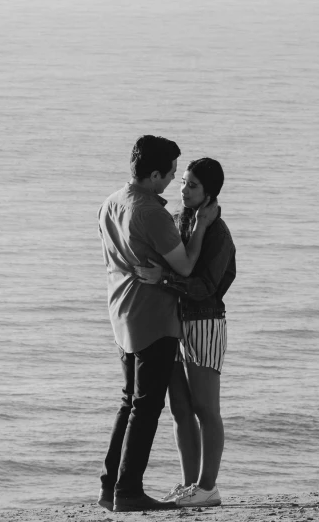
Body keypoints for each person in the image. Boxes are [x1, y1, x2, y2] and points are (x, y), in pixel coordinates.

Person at [96, 136, 218, 512]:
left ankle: (110, 487)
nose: (172, 183)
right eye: (169, 176)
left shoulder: (111, 202)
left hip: (121, 314)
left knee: (128, 403)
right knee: (146, 408)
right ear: (153, 174)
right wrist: (201, 225)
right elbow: (185, 266)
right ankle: (129, 491)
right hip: (153, 319)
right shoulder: (151, 211)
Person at [134, 157, 236, 508]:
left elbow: (206, 286)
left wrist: (163, 279)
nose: (184, 189)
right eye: (184, 183)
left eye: (193, 185)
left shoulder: (219, 233)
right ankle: (190, 484)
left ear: (210, 192)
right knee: (179, 409)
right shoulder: (178, 221)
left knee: (206, 408)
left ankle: (208, 488)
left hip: (205, 322)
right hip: (173, 323)